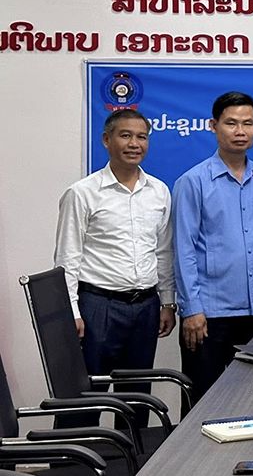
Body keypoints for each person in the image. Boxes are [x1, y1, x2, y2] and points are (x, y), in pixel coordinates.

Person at [54, 108, 176, 426]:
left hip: (145, 306)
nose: (134, 143)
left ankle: (135, 465)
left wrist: (167, 302)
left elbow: (163, 252)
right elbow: (67, 258)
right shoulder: (82, 193)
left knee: (137, 397)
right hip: (97, 306)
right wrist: (73, 311)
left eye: (141, 137)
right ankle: (71, 465)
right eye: (125, 135)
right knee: (84, 396)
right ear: (107, 140)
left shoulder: (159, 192)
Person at [172, 92, 253, 409]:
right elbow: (184, 249)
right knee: (203, 404)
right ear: (214, 126)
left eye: (247, 123)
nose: (239, 131)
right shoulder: (193, 182)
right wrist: (191, 309)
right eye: (231, 123)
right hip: (209, 316)